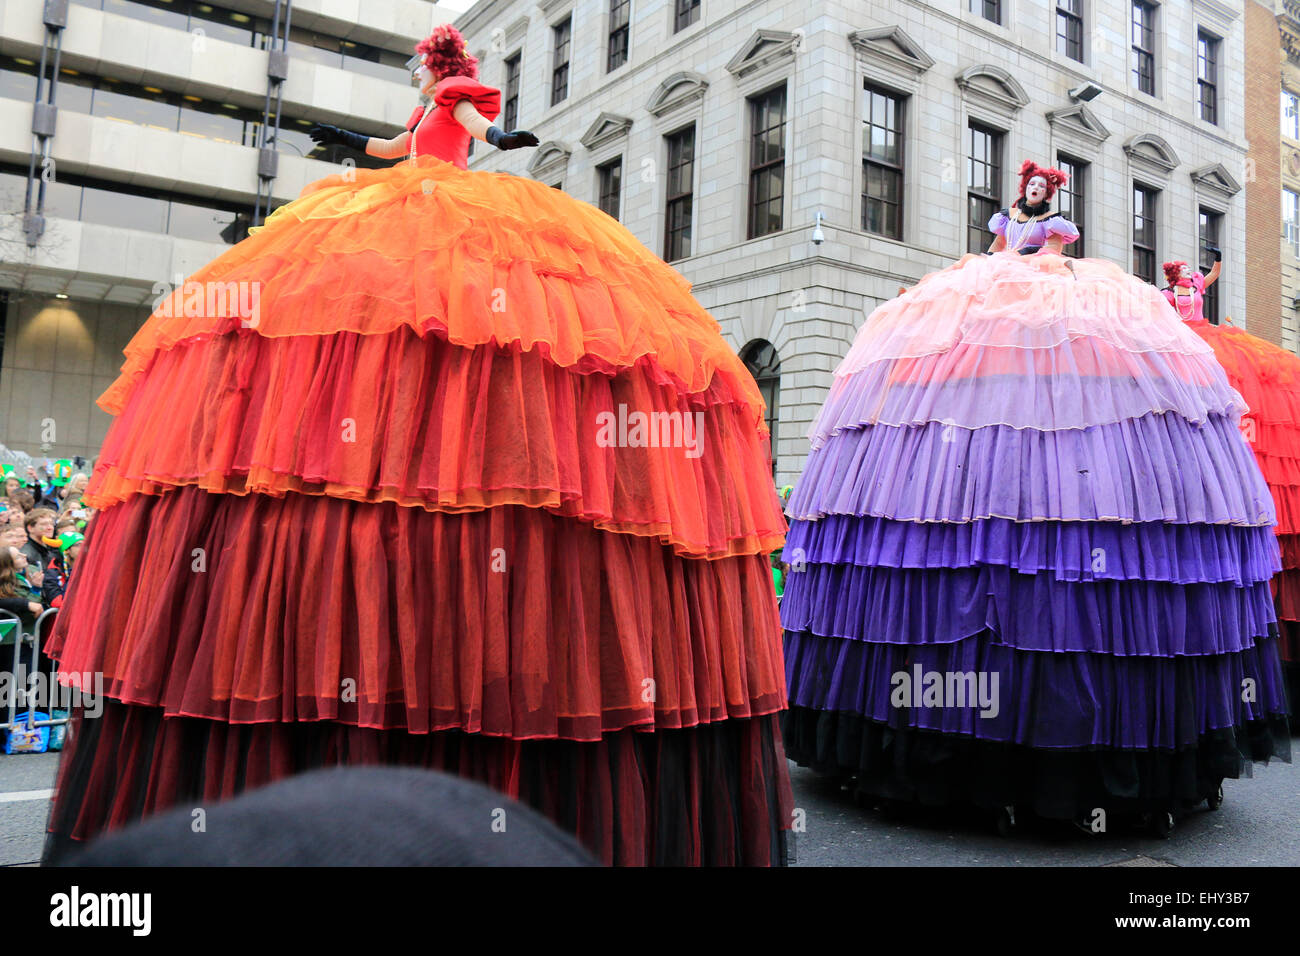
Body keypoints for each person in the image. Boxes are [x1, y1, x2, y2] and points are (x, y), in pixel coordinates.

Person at [43, 24, 790, 866]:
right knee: (363, 340)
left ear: (448, 70)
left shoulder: (462, 98)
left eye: (435, 69)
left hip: (455, 213)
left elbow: (469, 136)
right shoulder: (425, 107)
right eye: (437, 71)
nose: (434, 76)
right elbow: (399, 146)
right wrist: (349, 146)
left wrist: (499, 136)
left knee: (457, 352)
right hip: (408, 206)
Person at [781, 159, 1289, 833]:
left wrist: (1040, 270)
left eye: (1045, 187)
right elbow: (998, 250)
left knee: (1044, 431)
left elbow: (1048, 257)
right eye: (1033, 187)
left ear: (1055, 195)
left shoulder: (1060, 242)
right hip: (990, 305)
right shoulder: (1003, 230)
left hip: (1047, 302)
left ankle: (981, 753)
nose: (1037, 193)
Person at [1165, 251, 1300, 723]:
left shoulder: (1197, 290)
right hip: (1183, 343)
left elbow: (1215, 275)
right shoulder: (1167, 300)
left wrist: (1217, 266)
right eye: (1181, 275)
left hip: (1204, 338)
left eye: (1189, 275)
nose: (1186, 280)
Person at [1161, 254, 1221, 323]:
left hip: (1201, 329)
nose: (1188, 270)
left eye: (1188, 268)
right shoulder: (1170, 293)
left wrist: (1218, 259)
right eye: (1184, 268)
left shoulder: (1197, 286)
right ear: (1175, 273)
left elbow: (1214, 273)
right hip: (1182, 330)